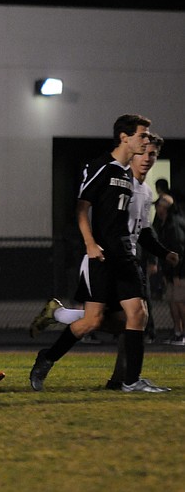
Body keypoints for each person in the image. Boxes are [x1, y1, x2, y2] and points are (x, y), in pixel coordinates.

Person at [29, 114, 169, 393]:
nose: (146, 141)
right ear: (124, 137)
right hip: (101, 257)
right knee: (93, 321)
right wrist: (90, 243)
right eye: (143, 135)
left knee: (137, 314)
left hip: (124, 257)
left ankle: (130, 380)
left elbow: (134, 227)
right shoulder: (102, 166)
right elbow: (81, 207)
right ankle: (48, 357)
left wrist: (160, 251)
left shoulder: (130, 177)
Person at [155, 193, 185, 345]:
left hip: (178, 273)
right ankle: (177, 331)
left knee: (180, 302)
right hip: (171, 272)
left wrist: (178, 274)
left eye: (159, 205)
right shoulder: (165, 224)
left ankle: (183, 333)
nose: (157, 208)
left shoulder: (173, 224)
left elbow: (179, 249)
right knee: (173, 302)